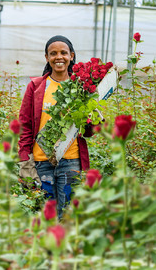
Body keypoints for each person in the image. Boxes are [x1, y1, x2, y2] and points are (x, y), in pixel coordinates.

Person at [18, 35, 93, 220]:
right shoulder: (36, 87)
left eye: (63, 53)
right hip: (41, 161)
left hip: (71, 160)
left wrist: (92, 119)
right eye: (53, 54)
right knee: (46, 215)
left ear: (71, 56)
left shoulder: (81, 88)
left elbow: (88, 132)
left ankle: (67, 249)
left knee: (68, 215)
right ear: (47, 58)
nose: (59, 57)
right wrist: (24, 161)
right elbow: (25, 126)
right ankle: (48, 249)